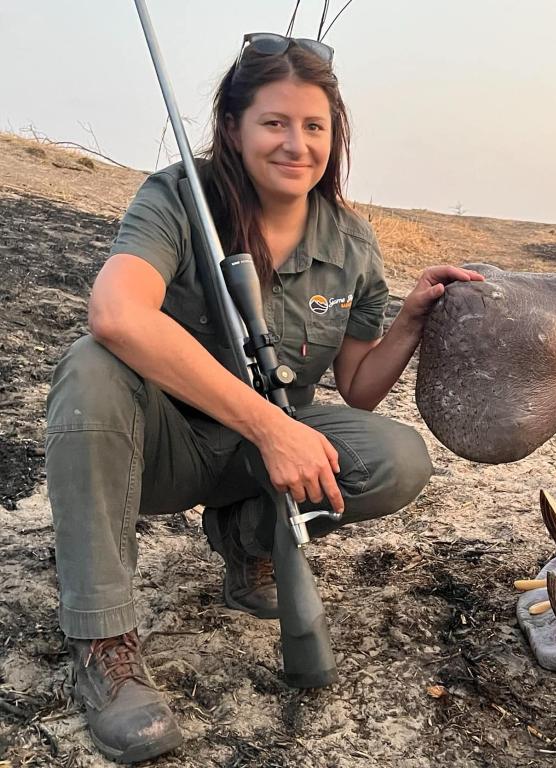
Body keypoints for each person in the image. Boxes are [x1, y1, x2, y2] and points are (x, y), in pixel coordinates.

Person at [45, 33, 483, 763]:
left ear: (335, 136)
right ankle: (104, 645)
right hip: (156, 450)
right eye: (274, 123)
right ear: (234, 128)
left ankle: (249, 546)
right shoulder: (178, 197)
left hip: (255, 460)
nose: (296, 144)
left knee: (397, 459)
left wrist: (408, 321)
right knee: (91, 366)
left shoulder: (351, 241)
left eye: (314, 126)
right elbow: (117, 313)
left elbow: (358, 389)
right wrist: (269, 428)